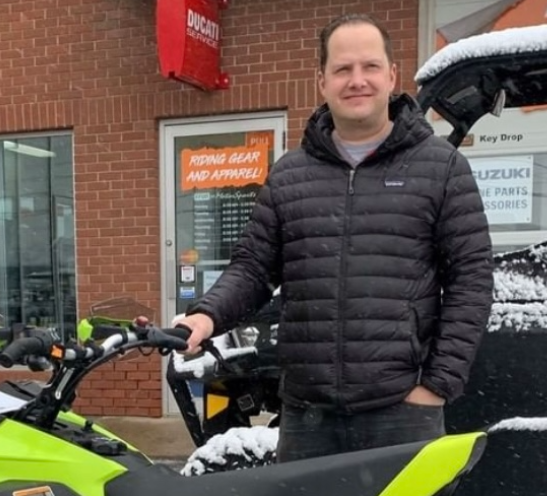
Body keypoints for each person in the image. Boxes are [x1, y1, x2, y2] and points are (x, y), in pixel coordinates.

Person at [175, 13, 494, 463]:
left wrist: (437, 385)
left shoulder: (440, 167)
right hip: (308, 418)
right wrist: (204, 318)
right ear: (322, 81)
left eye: (369, 67)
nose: (356, 80)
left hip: (401, 412)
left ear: (392, 76)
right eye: (342, 69)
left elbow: (472, 281)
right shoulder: (290, 175)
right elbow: (252, 268)